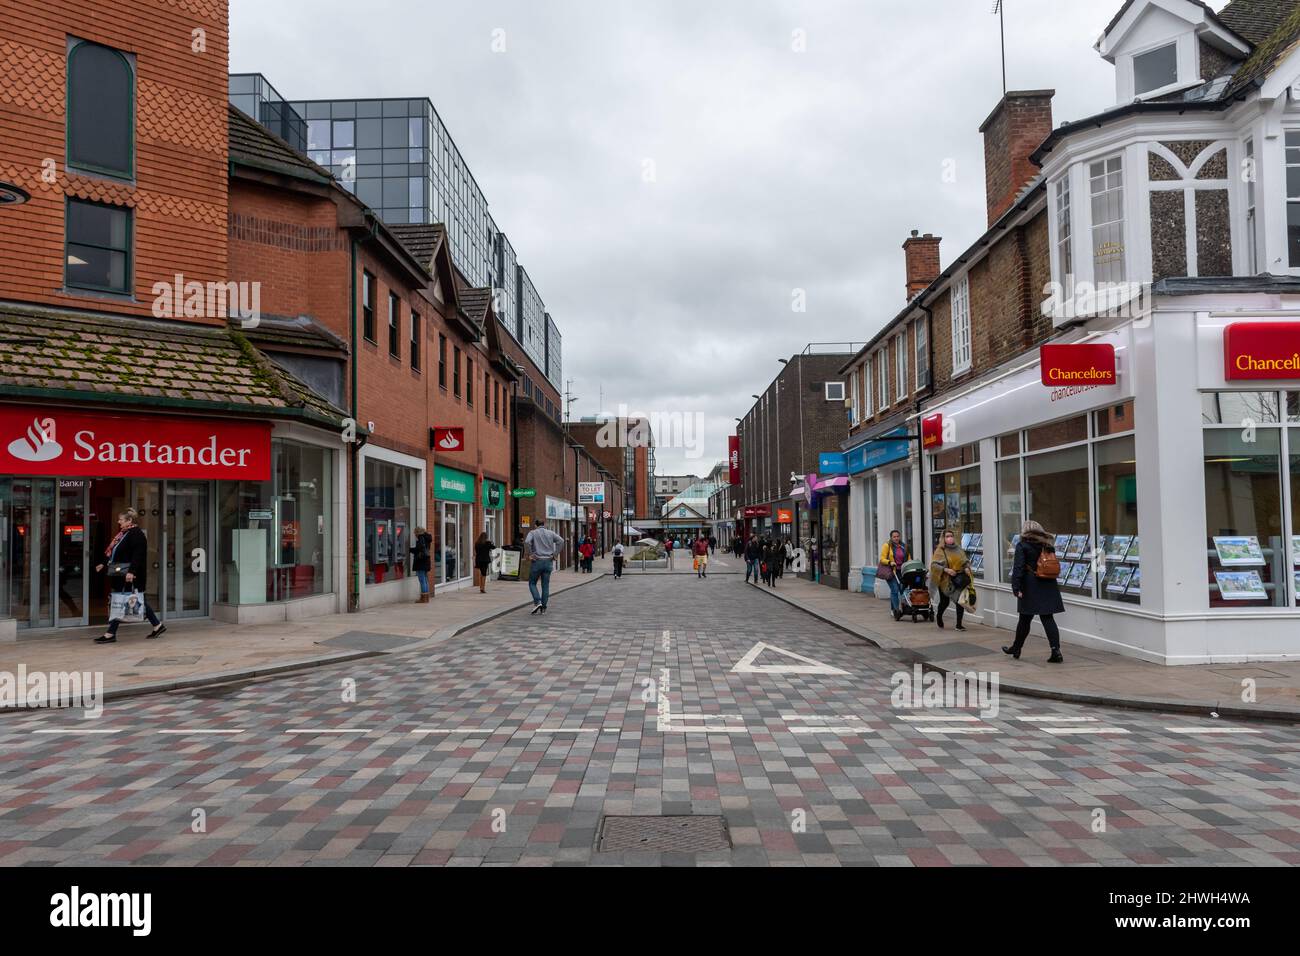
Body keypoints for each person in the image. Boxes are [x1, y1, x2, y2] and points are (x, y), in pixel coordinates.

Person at [94, 509, 165, 643]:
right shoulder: (123, 534)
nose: (118, 521)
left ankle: (110, 633)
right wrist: (103, 564)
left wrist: (132, 572)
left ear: (129, 521)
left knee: (121, 600)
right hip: (121, 573)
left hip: (130, 574)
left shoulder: (136, 535)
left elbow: (137, 556)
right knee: (130, 600)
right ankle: (157, 625)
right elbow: (114, 552)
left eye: (121, 519)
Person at [1004, 519, 1066, 663]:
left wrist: (1016, 587)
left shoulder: (1022, 545)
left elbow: (1018, 568)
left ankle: (1016, 648)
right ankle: (1055, 651)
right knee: (1048, 618)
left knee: (1025, 618)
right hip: (1048, 584)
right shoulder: (1047, 545)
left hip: (1030, 585)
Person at [930, 529, 971, 630]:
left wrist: (966, 567)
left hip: (959, 578)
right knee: (945, 602)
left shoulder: (958, 549)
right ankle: (939, 615)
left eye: (951, 536)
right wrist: (946, 570)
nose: (950, 538)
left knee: (959, 601)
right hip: (945, 581)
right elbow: (934, 565)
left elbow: (965, 560)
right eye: (947, 536)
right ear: (943, 538)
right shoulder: (940, 550)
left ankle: (959, 624)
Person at [524, 517, 566, 614]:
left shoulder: (532, 533)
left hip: (537, 561)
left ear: (536, 525)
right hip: (548, 561)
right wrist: (555, 554)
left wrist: (530, 554)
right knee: (545, 585)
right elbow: (561, 541)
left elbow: (526, 542)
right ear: (544, 524)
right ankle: (544, 608)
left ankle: (537, 601)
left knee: (532, 583)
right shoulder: (550, 533)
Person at [878, 530, 909, 617]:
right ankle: (896, 610)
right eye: (894, 537)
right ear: (891, 537)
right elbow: (882, 559)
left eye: (897, 536)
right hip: (891, 571)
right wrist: (889, 562)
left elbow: (908, 557)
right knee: (895, 590)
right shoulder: (887, 545)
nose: (896, 538)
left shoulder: (904, 546)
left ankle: (894, 608)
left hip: (902, 571)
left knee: (901, 590)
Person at [410, 526, 433, 603]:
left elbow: (419, 549)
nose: (414, 534)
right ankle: (426, 597)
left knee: (422, 580)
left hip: (421, 562)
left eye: (415, 533)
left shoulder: (421, 538)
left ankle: (423, 598)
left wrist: (410, 549)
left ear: (417, 532)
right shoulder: (427, 538)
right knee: (425, 580)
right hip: (426, 561)